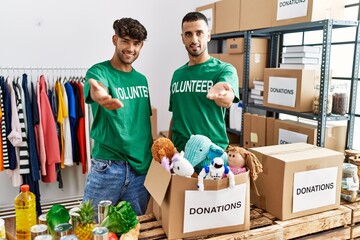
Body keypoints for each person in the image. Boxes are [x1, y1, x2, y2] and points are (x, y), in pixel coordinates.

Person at [82, 17, 152, 218]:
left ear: (141, 45)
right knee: (91, 225)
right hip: (108, 168)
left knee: (133, 228)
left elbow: (143, 123)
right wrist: (101, 96)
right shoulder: (99, 71)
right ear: (115, 40)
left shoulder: (141, 80)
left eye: (136, 43)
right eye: (126, 41)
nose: (131, 48)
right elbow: (97, 88)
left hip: (140, 169)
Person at [169, 12, 240, 152]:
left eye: (199, 33)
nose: (194, 39)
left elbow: (227, 98)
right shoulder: (177, 74)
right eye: (188, 34)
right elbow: (175, 116)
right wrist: (169, 148)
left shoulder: (224, 70)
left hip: (212, 154)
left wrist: (223, 95)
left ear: (208, 35)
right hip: (181, 156)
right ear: (182, 38)